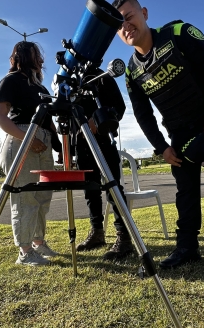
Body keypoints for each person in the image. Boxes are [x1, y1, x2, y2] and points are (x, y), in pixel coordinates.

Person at [112, 0, 204, 277]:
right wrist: (162, 147)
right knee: (185, 193)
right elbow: (142, 114)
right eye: (118, 25)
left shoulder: (178, 33)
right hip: (181, 138)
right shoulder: (131, 70)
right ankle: (187, 247)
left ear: (144, 13)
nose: (126, 26)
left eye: (129, 16)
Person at [0, 41, 63, 266]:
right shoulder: (10, 80)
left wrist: (58, 144)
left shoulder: (41, 88)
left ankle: (38, 242)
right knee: (25, 197)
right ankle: (24, 252)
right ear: (21, 57)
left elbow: (50, 121)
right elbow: (0, 116)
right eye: (35, 55)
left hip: (42, 139)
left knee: (43, 197)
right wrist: (27, 139)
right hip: (21, 137)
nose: (40, 60)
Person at [73, 67, 134, 261]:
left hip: (103, 141)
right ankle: (97, 233)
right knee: (90, 191)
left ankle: (124, 238)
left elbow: (119, 108)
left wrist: (98, 119)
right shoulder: (70, 78)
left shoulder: (102, 76)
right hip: (81, 144)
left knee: (112, 190)